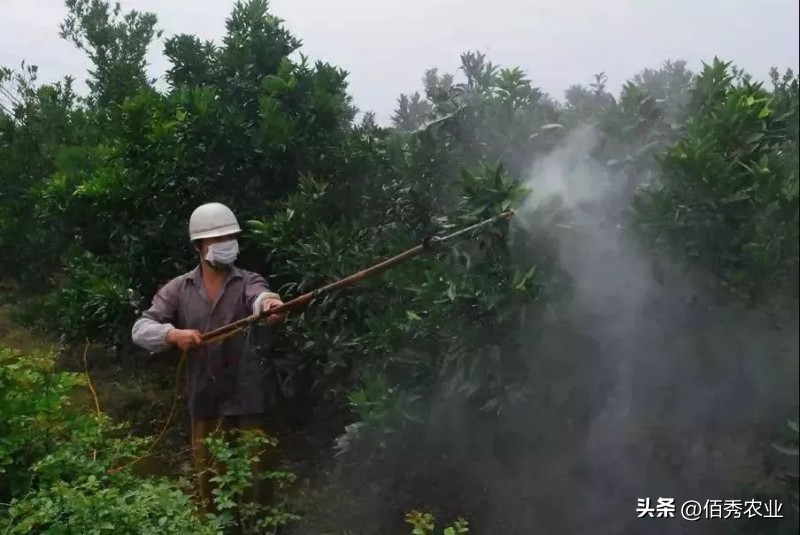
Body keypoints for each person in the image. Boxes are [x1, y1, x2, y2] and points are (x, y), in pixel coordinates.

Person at [131, 201, 285, 511]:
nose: (226, 245)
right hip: (205, 401)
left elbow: (262, 298)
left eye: (230, 237)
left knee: (258, 485)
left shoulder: (248, 281)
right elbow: (141, 328)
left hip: (249, 399)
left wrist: (269, 306)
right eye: (217, 239)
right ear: (200, 246)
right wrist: (173, 335)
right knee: (211, 486)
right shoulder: (178, 289)